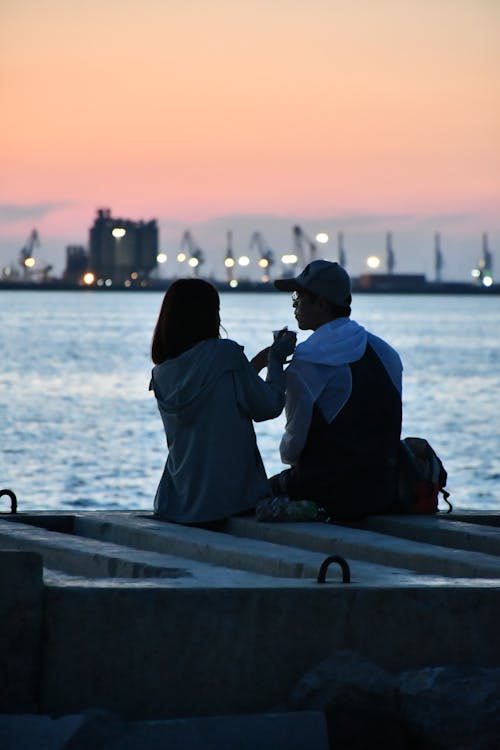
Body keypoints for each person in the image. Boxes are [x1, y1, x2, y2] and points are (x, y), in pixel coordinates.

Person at [149, 278, 296, 525]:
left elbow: (215, 393)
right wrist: (277, 361)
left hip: (175, 502)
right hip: (230, 500)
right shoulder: (225, 354)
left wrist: (257, 364)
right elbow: (268, 406)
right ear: (207, 316)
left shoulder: (162, 373)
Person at [268, 259, 402, 520]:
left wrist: (274, 363)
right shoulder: (386, 352)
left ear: (321, 303)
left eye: (299, 296)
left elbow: (291, 450)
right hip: (385, 489)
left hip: (330, 492)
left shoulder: (309, 358)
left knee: (252, 494)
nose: (294, 303)